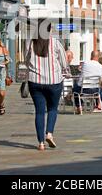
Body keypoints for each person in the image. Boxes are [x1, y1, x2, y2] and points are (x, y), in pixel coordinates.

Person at [25, 19, 70, 151]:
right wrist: (65, 72)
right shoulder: (55, 43)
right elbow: (64, 61)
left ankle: (41, 143)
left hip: (35, 81)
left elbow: (26, 60)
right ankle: (49, 133)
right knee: (52, 109)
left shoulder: (30, 43)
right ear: (49, 29)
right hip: (54, 81)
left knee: (39, 112)